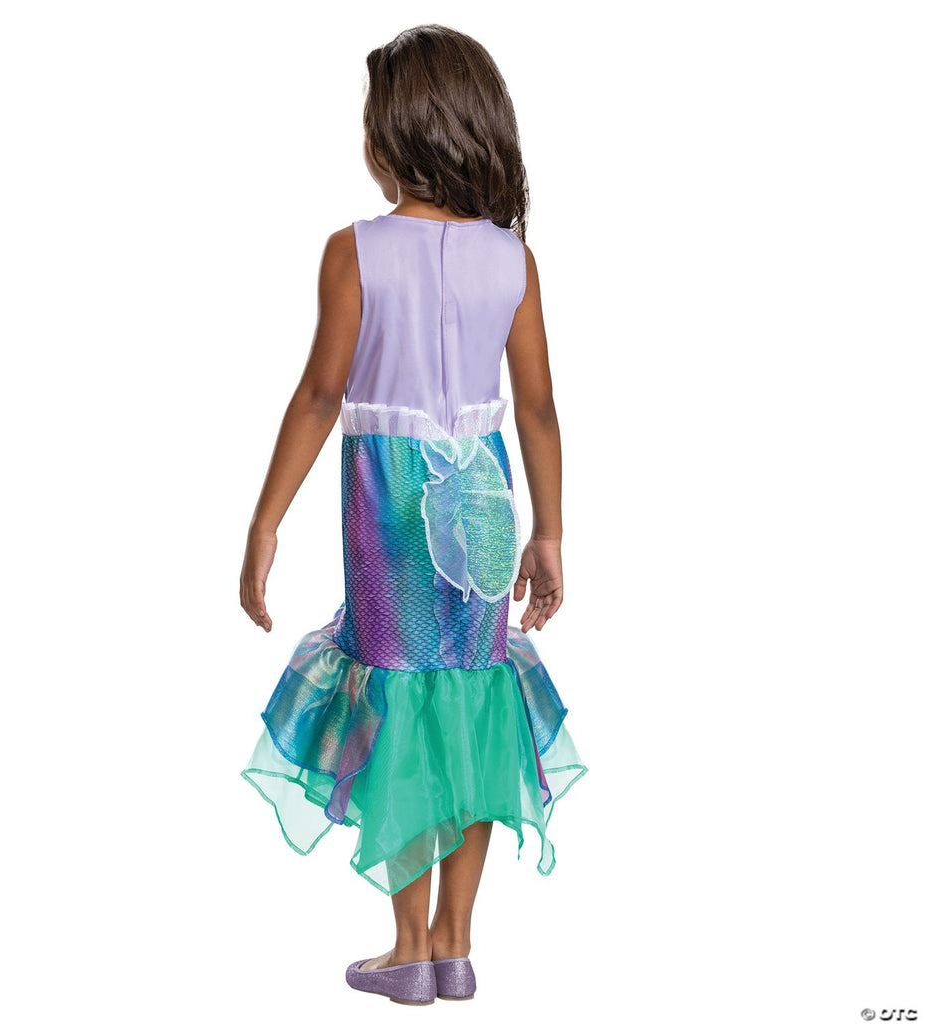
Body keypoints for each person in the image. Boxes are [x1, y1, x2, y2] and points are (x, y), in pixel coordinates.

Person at [239, 24, 588, 1006]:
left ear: (394, 133)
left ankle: (408, 947)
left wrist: (265, 521)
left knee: (395, 700)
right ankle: (455, 943)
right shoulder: (512, 259)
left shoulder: (354, 251)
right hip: (481, 499)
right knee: (472, 696)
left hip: (388, 508)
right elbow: (538, 409)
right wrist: (549, 531)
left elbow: (320, 394)